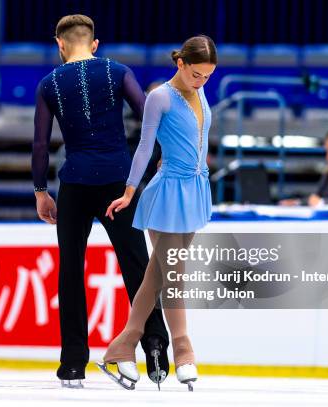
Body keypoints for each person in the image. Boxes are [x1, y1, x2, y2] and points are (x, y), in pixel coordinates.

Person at [31, 14, 170, 389]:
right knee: (137, 265)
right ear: (94, 44)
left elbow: (41, 144)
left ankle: (73, 363)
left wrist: (41, 191)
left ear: (60, 45)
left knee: (71, 271)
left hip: (74, 184)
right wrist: (161, 158)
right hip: (118, 182)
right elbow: (150, 118)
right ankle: (156, 347)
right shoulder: (118, 71)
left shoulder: (49, 83)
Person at [98, 35, 217, 391]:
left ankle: (121, 346)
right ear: (180, 63)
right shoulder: (159, 97)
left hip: (195, 191)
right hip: (167, 193)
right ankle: (183, 348)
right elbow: (145, 145)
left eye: (208, 76)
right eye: (197, 74)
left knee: (156, 277)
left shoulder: (200, 91)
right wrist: (130, 189)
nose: (201, 81)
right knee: (174, 274)